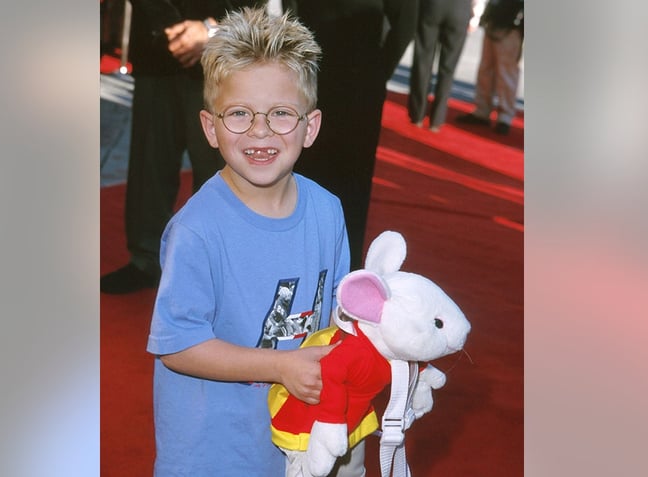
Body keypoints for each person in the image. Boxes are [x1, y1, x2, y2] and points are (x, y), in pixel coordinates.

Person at [147, 8, 353, 476]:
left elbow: (342, 317)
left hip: (297, 447)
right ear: (210, 127)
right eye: (239, 113)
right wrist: (281, 367)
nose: (260, 131)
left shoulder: (327, 211)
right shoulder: (196, 230)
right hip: (211, 454)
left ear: (311, 126)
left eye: (281, 113)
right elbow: (177, 345)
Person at [101, 0, 265, 294]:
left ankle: (218, 268)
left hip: (221, 57)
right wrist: (171, 28)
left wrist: (211, 31)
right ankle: (145, 258)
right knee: (149, 162)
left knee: (219, 172)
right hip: (156, 46)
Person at [284, 0, 419, 271]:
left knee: (311, 176)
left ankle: (308, 268)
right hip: (348, 80)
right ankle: (340, 277)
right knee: (340, 184)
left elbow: (292, 13)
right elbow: (405, 23)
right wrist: (377, 70)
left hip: (320, 76)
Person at [455, 0, 523, 135]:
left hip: (513, 22)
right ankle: (482, 110)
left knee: (507, 72)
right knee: (486, 68)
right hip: (494, 18)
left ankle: (505, 117)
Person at [408, 0, 474, 132]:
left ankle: (417, 114)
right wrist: (476, 16)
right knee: (448, 68)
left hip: (432, 6)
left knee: (423, 60)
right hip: (460, 8)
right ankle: (437, 120)